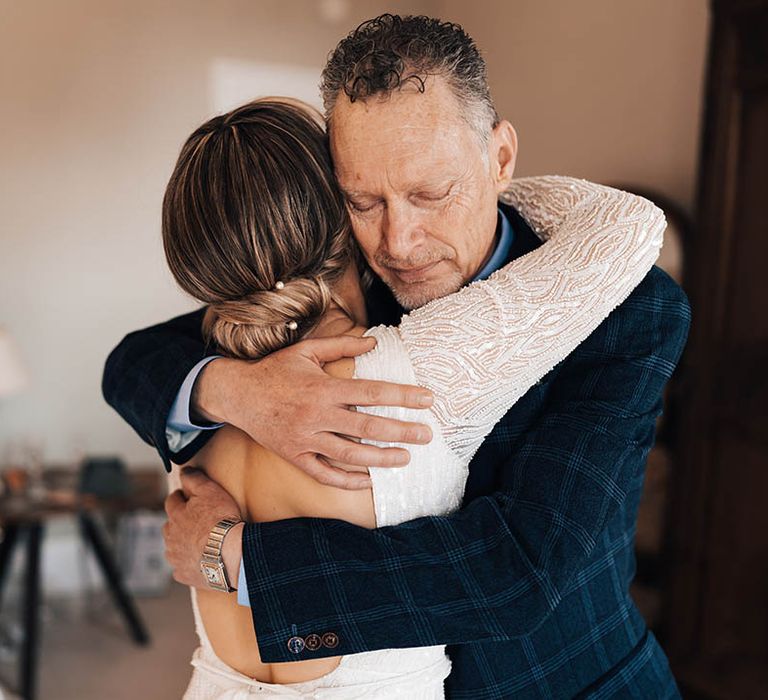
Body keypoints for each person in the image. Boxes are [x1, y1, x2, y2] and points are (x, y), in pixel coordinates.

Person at [103, 14, 691, 699]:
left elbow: (522, 571)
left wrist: (237, 558)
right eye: (363, 200)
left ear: (500, 158)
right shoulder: (339, 278)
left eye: (430, 193)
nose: (400, 242)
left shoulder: (628, 309)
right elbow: (136, 361)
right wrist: (236, 393)